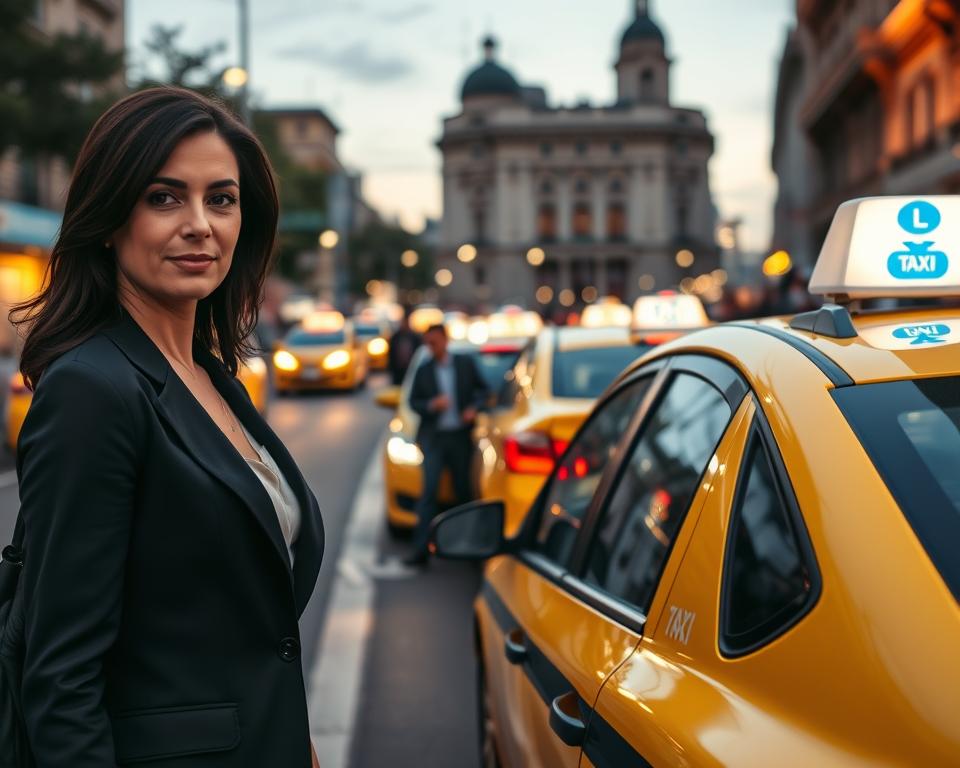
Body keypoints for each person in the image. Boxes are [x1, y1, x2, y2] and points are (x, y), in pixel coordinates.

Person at [11, 87, 323, 767]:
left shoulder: (213, 378)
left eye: (221, 199)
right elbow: (61, 680)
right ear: (109, 216)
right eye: (163, 197)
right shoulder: (92, 391)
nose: (200, 225)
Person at [405, 323, 490, 566]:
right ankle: (421, 551)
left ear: (445, 340)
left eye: (435, 342)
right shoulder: (424, 370)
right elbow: (413, 402)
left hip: (460, 438)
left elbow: (484, 392)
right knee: (428, 493)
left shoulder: (464, 364)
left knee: (463, 492)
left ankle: (469, 548)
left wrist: (473, 408)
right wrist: (432, 405)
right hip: (435, 438)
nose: (432, 348)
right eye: (428, 344)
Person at [387, 307, 421, 385]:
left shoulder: (415, 337)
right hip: (398, 371)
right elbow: (391, 353)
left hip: (411, 369)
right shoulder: (396, 337)